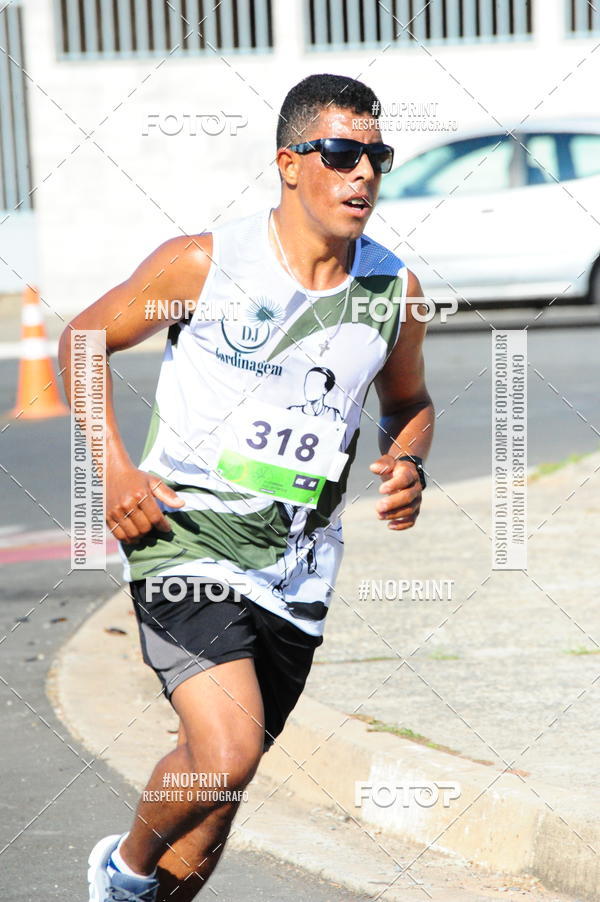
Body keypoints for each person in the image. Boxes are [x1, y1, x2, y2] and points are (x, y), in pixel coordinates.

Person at [59, 72, 434, 902]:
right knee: (225, 754)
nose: (363, 172)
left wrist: (408, 461)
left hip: (298, 568)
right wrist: (115, 465)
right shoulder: (205, 262)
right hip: (186, 538)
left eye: (377, 155)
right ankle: (119, 873)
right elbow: (84, 339)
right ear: (290, 163)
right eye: (341, 153)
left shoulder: (392, 293)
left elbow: (407, 402)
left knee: (215, 809)